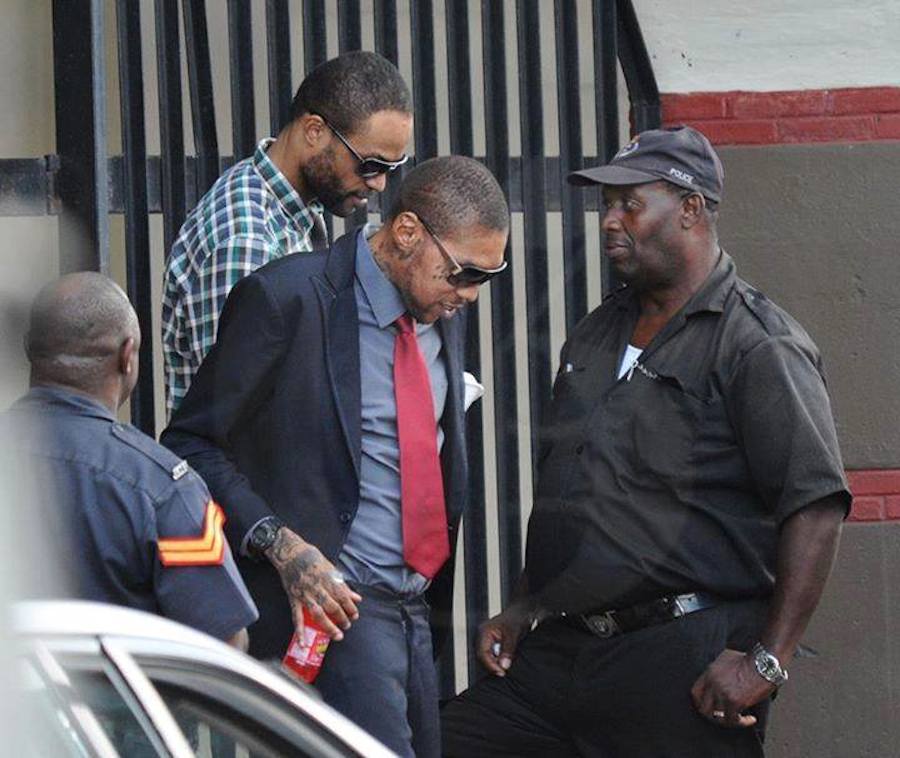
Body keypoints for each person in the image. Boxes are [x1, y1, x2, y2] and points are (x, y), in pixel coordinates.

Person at [441, 126, 851, 757]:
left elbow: (816, 506)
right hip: (564, 649)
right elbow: (569, 485)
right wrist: (525, 603)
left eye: (630, 204)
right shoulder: (597, 332)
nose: (610, 221)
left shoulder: (757, 345)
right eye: (608, 205)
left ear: (690, 209)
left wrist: (766, 661)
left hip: (680, 658)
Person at [161, 155, 510, 757]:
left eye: (486, 277)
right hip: (334, 607)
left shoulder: (436, 309)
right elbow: (190, 443)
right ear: (406, 232)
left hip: (415, 611)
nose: (470, 295)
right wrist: (281, 544)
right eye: (461, 273)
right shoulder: (288, 299)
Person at [0, 272, 258, 649]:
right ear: (127, 355)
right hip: (116, 704)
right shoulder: (161, 489)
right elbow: (224, 641)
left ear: (28, 350)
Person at [162, 50, 413, 415]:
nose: (378, 183)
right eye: (370, 164)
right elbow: (245, 414)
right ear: (314, 131)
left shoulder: (292, 209)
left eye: (393, 167)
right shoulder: (246, 240)